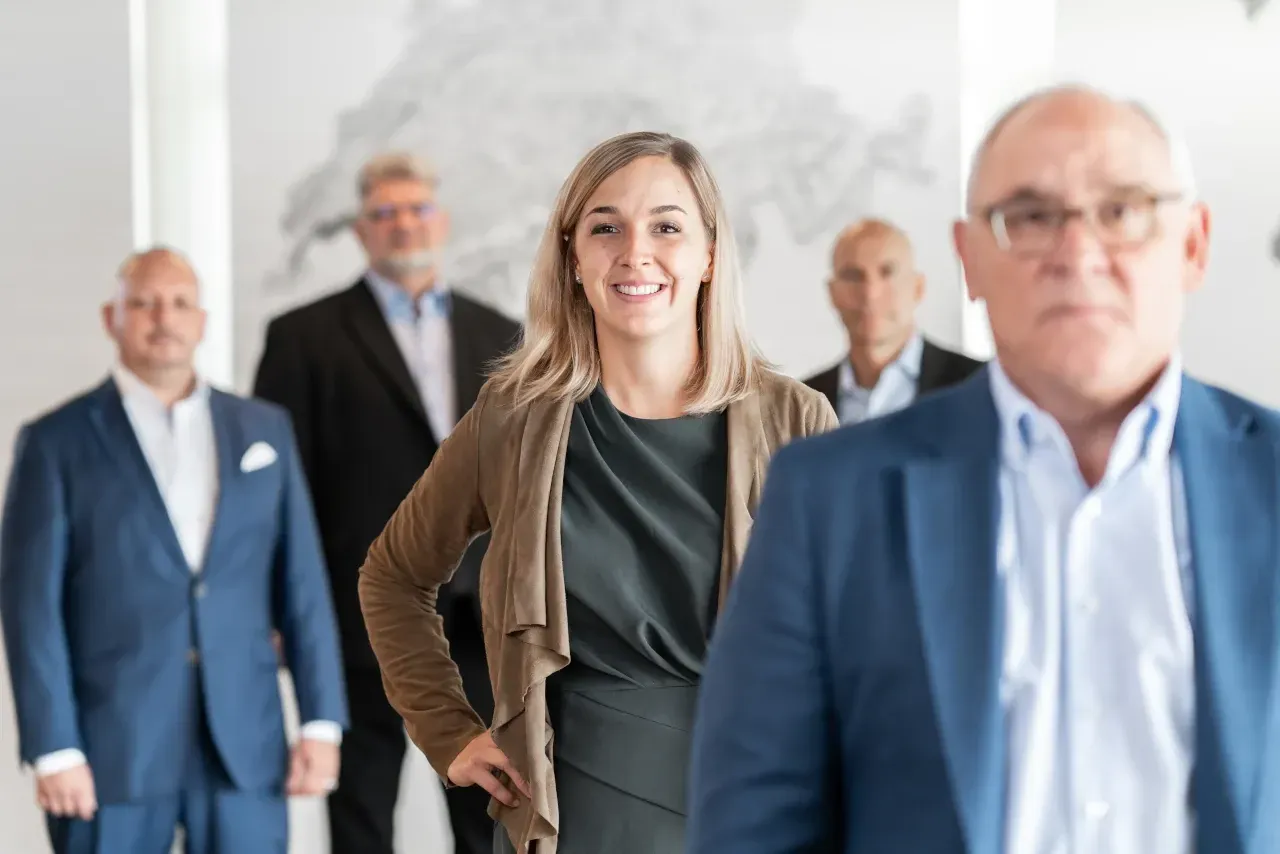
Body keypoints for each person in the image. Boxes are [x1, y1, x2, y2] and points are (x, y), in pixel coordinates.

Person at [688, 84, 1274, 853]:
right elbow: (751, 830)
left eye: (1123, 210)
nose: (1077, 252)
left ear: (1192, 244)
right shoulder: (829, 500)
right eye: (1029, 217)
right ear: (969, 258)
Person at [357, 130, 838, 854]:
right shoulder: (514, 418)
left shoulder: (794, 419)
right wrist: (447, 731)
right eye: (605, 227)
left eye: (666, 227)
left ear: (709, 253)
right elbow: (392, 577)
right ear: (573, 258)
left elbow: (859, 633)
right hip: (570, 807)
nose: (634, 252)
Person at [1, 248, 348, 854]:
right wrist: (53, 746)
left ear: (202, 321)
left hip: (245, 743)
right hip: (112, 750)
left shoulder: (264, 431)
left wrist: (321, 722)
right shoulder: (53, 442)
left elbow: (303, 587)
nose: (164, 317)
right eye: (144, 302)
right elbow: (32, 609)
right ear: (112, 318)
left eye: (181, 302)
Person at [253, 152, 521, 854]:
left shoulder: (503, 336)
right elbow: (279, 496)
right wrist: (281, 606)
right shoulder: (303, 338)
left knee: (489, 814)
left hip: (485, 623)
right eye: (385, 213)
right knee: (363, 814)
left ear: (443, 220)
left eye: (417, 209)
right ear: (361, 231)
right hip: (358, 618)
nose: (404, 224)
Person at [804, 218, 982, 422]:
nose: (870, 293)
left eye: (887, 272)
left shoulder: (978, 385)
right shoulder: (796, 404)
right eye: (853, 275)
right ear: (832, 293)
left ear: (918, 287)